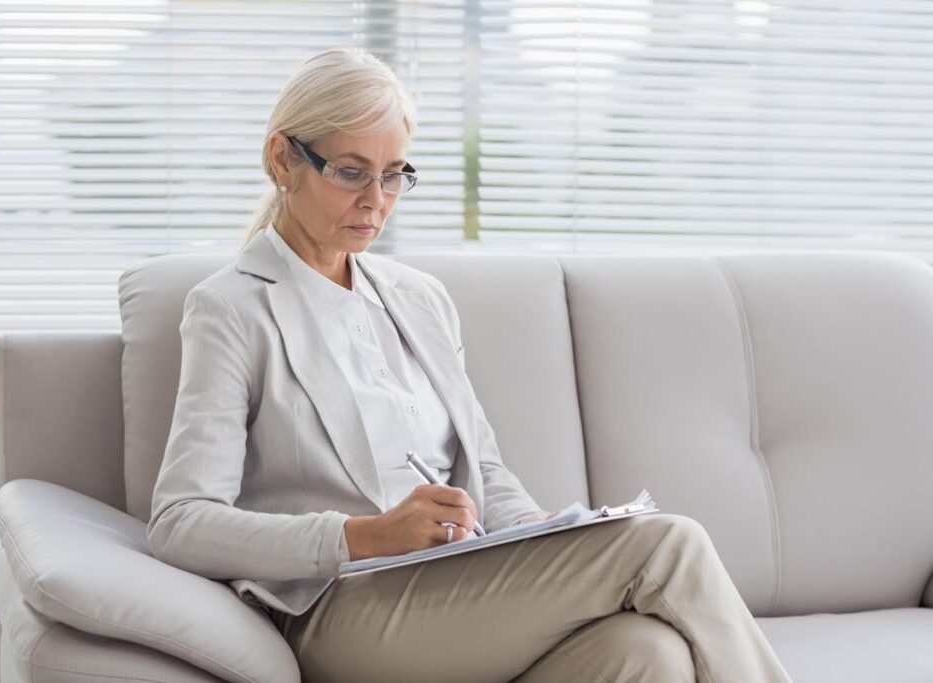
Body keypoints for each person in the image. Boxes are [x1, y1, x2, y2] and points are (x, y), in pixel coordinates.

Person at [146, 46, 794, 683]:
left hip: (459, 586)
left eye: (395, 172)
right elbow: (181, 522)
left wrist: (545, 530)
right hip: (340, 608)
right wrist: (362, 535)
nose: (376, 199)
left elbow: (481, 470)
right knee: (667, 544)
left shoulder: (418, 299)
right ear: (283, 159)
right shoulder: (231, 309)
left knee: (649, 652)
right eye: (350, 171)